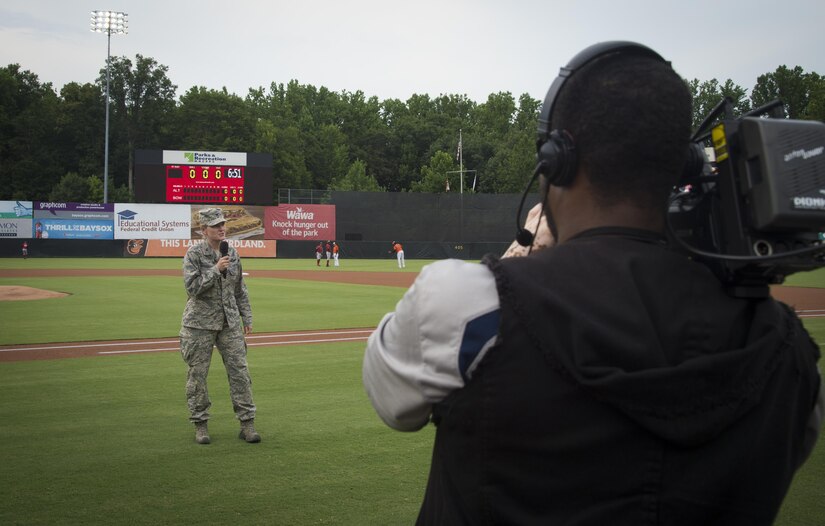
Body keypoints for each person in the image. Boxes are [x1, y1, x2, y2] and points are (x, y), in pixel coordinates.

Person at [363, 42, 822, 524]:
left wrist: (516, 259)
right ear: (681, 165)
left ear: (556, 159)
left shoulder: (467, 303)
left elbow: (389, 396)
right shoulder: (790, 354)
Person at [180, 208, 261, 445]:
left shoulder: (232, 253)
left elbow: (239, 289)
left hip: (230, 322)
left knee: (240, 372)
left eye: (222, 224)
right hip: (199, 324)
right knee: (197, 376)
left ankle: (247, 424)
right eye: (216, 226)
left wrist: (247, 317)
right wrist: (215, 270)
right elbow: (192, 288)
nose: (221, 228)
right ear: (204, 230)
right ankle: (200, 425)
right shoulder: (194, 254)